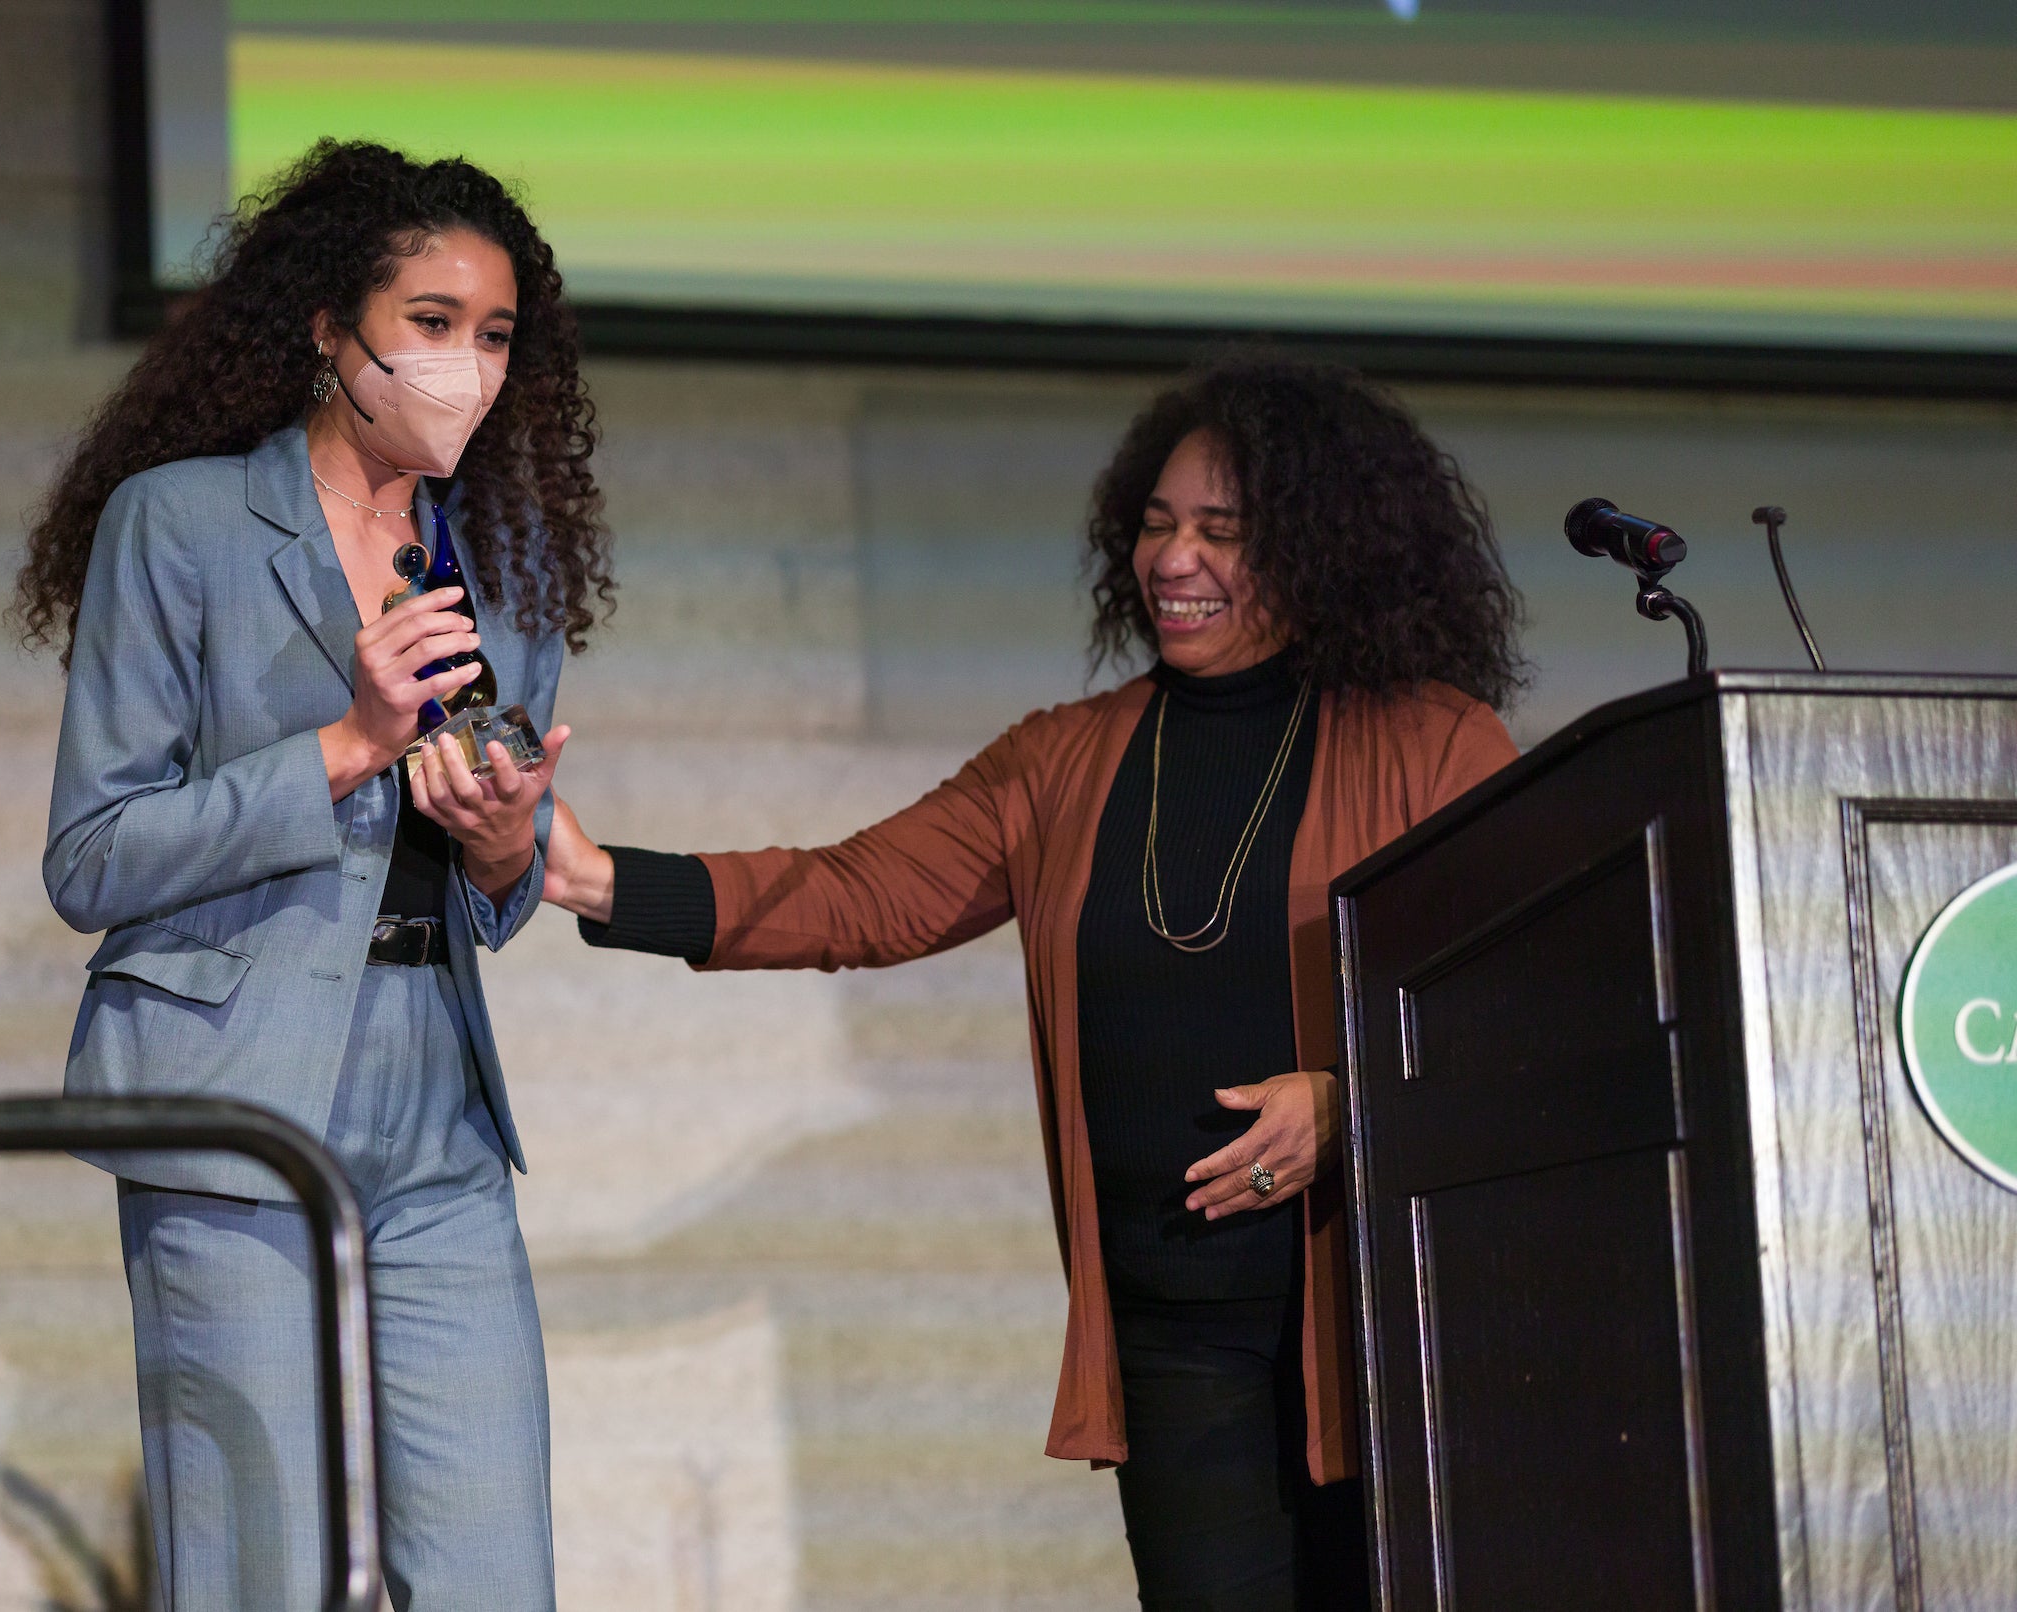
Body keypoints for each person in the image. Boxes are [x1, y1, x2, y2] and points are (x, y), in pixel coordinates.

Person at [543, 358, 1523, 1610]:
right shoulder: (1065, 758)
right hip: (1175, 1338)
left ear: (1326, 547)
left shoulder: (1434, 743)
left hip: (1382, 1328)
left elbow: (1512, 1005)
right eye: (1158, 523)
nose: (1174, 557)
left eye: (1223, 530)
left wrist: (1349, 1103)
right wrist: (596, 878)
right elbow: (857, 891)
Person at [15, 140, 610, 1611]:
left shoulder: (505, 569)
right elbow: (92, 855)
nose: (464, 366)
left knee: (492, 1575)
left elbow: (501, 888)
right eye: (428, 325)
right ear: (329, 332)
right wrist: (347, 744)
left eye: (493, 336)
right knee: (252, 1575)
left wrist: (498, 839)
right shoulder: (185, 523)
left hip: (437, 1103)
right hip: (227, 1078)